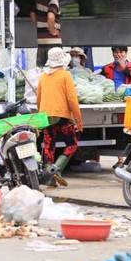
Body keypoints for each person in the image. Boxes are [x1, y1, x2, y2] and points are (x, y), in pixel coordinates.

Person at [37, 47, 83, 187]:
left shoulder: (43, 76)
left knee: (49, 146)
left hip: (46, 117)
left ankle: (50, 178)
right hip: (62, 116)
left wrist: (41, 116)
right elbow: (72, 99)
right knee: (72, 144)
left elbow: (38, 98)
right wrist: (78, 120)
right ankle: (57, 169)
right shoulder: (65, 75)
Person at [30, 0, 68, 67]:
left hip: (41, 42)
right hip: (53, 44)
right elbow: (50, 16)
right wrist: (52, 31)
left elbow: (32, 14)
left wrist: (39, 25)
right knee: (55, 70)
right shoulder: (53, 0)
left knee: (40, 71)